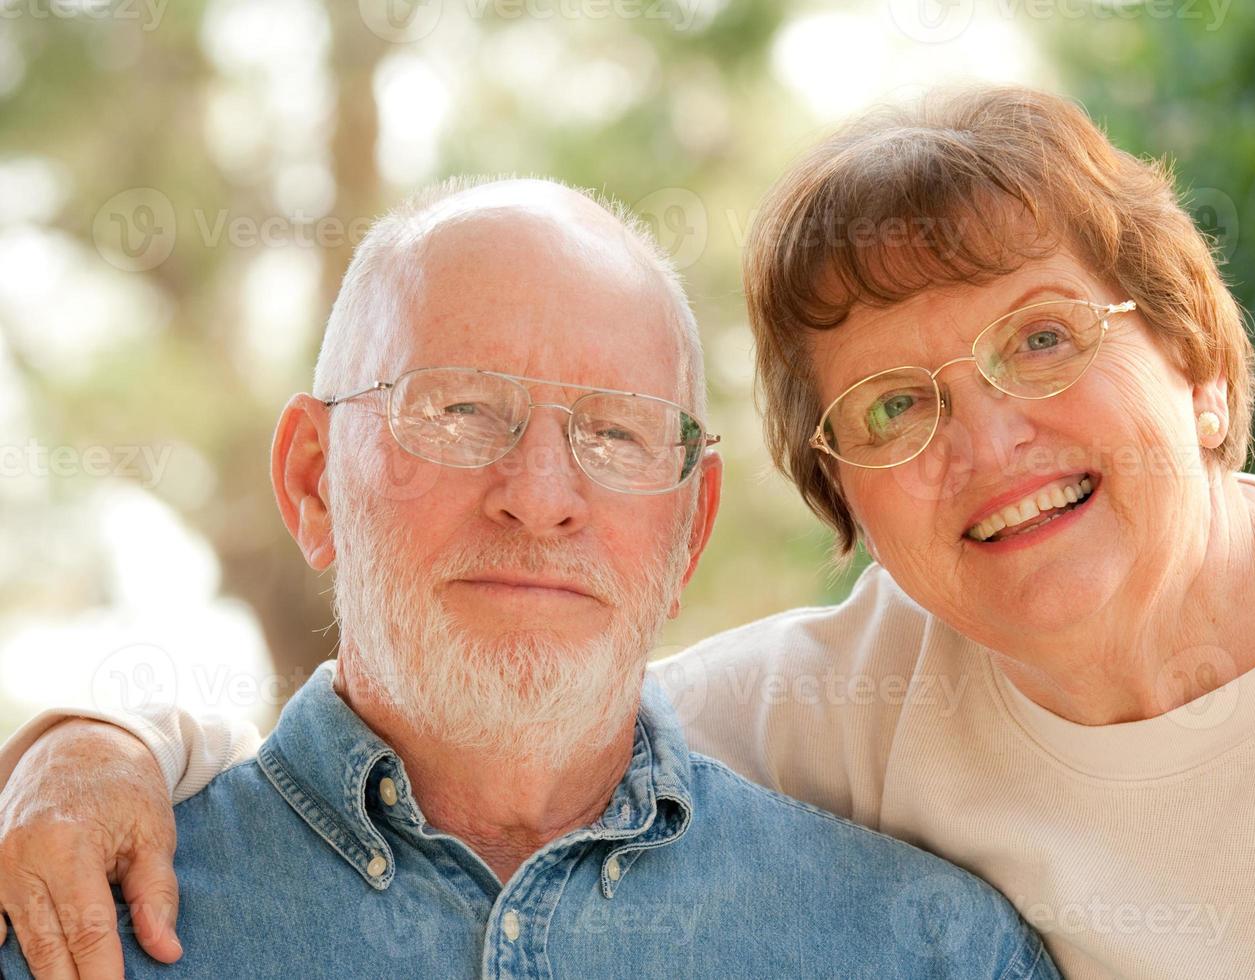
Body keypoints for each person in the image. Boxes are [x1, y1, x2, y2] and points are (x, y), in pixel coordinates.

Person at [5, 85, 1255, 978]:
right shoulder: (813, 706)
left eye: (1041, 341)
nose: (541, 494)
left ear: (1200, 370)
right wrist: (89, 743)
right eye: (892, 409)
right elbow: (495, 713)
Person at [0, 176, 1057, 980]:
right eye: (462, 410)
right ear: (314, 481)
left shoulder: (931, 950)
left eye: (616, 431)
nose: (541, 493)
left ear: (690, 532)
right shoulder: (69, 926)